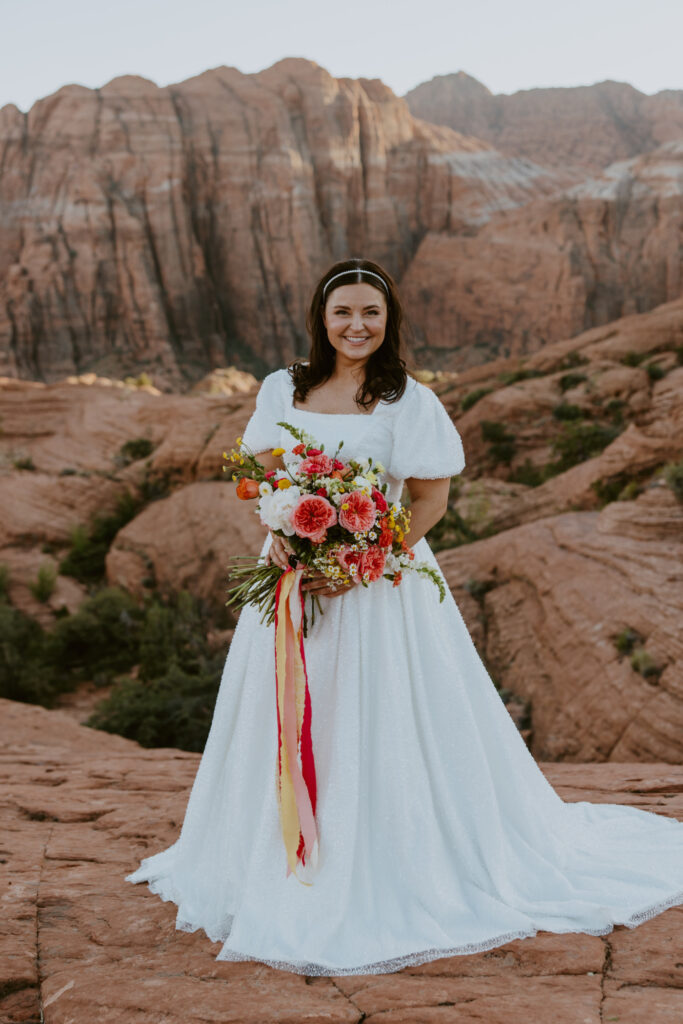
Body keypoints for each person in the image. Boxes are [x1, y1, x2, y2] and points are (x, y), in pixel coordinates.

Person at [126, 257, 683, 976]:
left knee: (379, 712)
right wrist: (296, 533)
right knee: (286, 707)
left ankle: (387, 859)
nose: (355, 326)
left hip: (380, 581)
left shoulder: (408, 400)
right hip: (292, 576)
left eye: (370, 314)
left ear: (388, 323)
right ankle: (267, 858)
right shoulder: (281, 388)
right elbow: (263, 473)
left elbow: (429, 500)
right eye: (342, 313)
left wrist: (362, 555)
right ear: (320, 320)